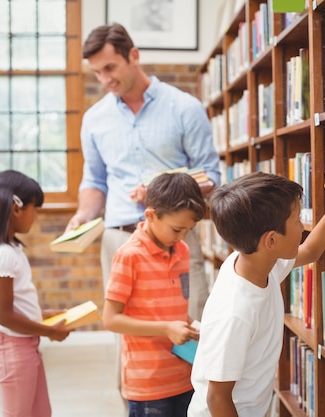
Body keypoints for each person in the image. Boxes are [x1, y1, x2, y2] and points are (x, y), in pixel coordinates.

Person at [66, 22, 220, 396]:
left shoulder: (185, 107)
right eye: (97, 72)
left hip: (177, 241)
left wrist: (161, 187)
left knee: (191, 328)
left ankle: (192, 404)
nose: (105, 79)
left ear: (133, 56)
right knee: (130, 338)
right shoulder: (94, 119)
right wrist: (84, 215)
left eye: (110, 68)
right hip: (120, 241)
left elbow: (211, 175)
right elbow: (95, 181)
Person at [188, 170, 325, 417]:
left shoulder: (257, 262)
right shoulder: (235, 312)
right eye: (296, 220)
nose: (302, 226)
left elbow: (311, 251)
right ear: (271, 240)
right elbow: (217, 397)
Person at [102, 172, 206, 417]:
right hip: (147, 385)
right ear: (150, 215)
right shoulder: (128, 256)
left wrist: (197, 328)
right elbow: (111, 319)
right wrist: (167, 329)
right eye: (177, 229)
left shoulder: (182, 250)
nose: (181, 238)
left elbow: (176, 310)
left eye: (188, 230)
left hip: (184, 376)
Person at [0, 170, 71, 417]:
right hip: (11, 347)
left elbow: (12, 306)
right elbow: (5, 316)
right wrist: (50, 332)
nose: (35, 216)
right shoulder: (2, 255)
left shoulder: (10, 249)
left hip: (23, 344)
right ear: (16, 208)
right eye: (34, 209)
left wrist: (42, 315)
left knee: (39, 412)